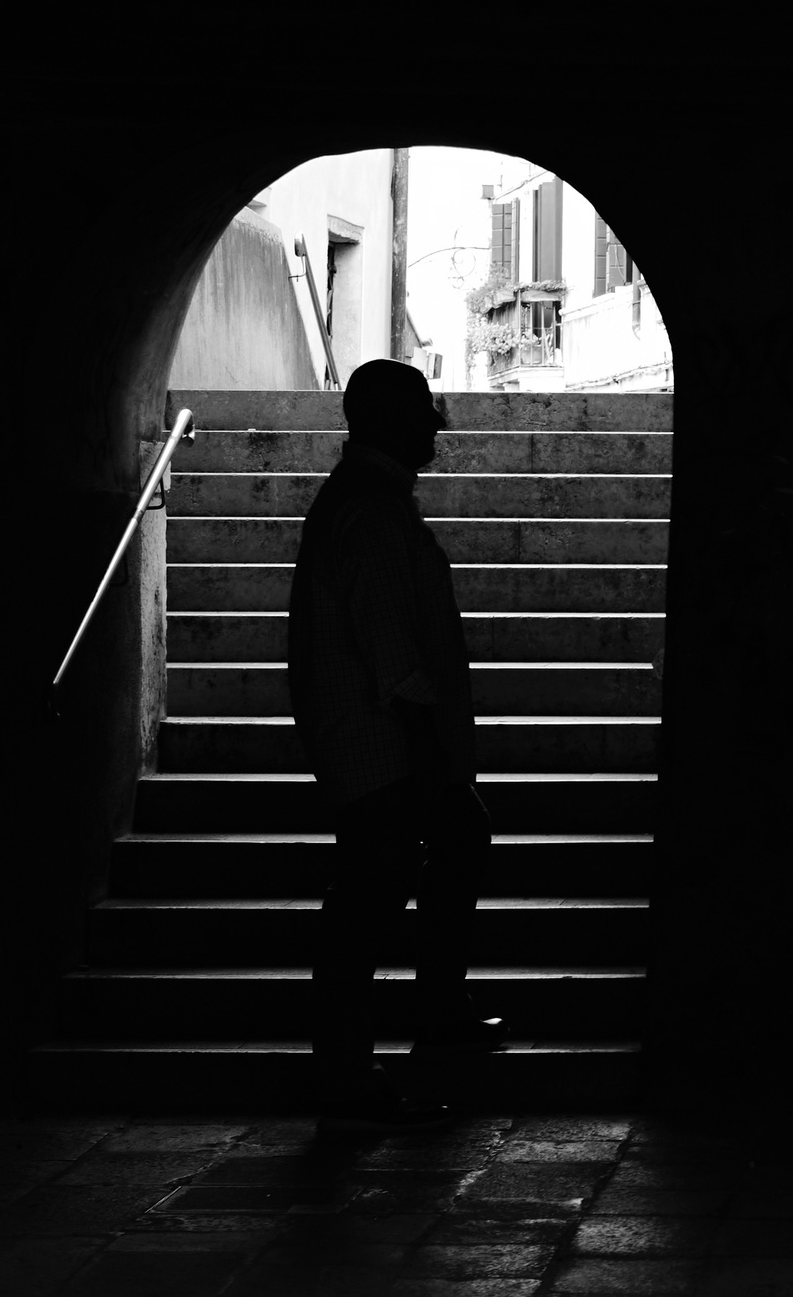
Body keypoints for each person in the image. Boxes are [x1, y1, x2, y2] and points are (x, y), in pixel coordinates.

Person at [287, 358, 504, 1130]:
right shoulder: (375, 513)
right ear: (390, 422)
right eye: (422, 412)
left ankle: (424, 1015)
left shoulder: (364, 504)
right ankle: (354, 1060)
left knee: (399, 874)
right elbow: (393, 649)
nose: (436, 424)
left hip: (371, 740)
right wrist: (436, 753)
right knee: (372, 897)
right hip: (382, 743)